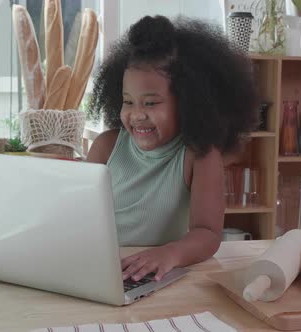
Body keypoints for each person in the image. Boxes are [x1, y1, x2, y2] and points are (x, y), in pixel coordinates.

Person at [86, 15, 258, 282]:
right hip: (102, 269)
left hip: (157, 275)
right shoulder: (105, 147)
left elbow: (208, 234)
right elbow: (80, 218)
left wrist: (169, 254)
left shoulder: (198, 156)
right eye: (128, 102)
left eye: (151, 103)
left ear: (188, 101)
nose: (137, 114)